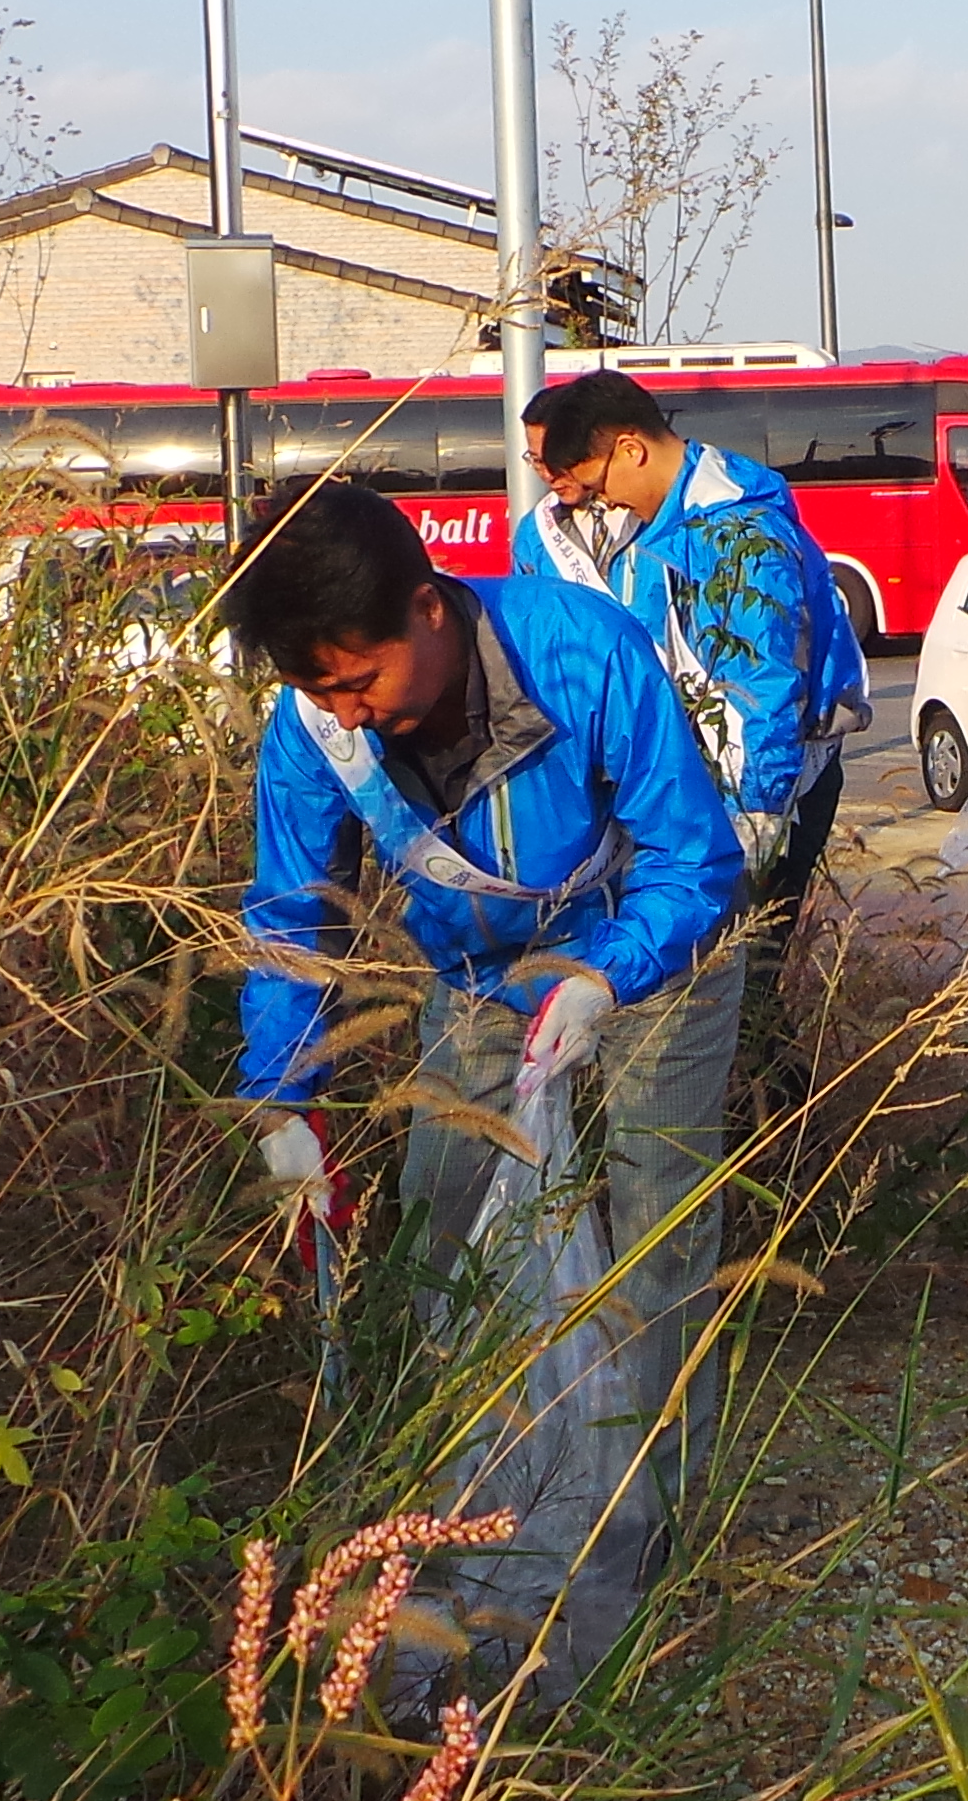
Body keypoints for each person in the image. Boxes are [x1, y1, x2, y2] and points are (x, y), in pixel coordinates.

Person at [224, 477, 748, 1659]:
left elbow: (691, 855)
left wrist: (609, 974)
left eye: (357, 680)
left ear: (428, 611)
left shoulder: (580, 651)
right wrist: (283, 1100)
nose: (345, 715)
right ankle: (468, 1514)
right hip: (481, 983)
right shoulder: (315, 730)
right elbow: (286, 920)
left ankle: (650, 1531)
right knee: (447, 1230)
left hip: (654, 958)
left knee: (659, 1233)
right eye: (316, 689)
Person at [517, 369, 871, 947]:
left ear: (630, 450)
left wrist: (754, 817)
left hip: (749, 789)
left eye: (594, 479)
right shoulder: (583, 530)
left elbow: (765, 684)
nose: (604, 499)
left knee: (737, 966)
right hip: (675, 777)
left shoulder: (733, 527)